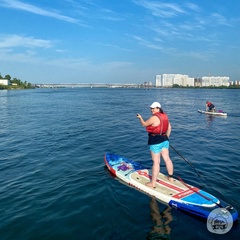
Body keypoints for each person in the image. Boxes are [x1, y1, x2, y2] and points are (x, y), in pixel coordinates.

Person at [136, 102, 174, 188]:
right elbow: (169, 127)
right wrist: (167, 137)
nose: (152, 110)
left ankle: (153, 183)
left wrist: (140, 118)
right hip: (165, 139)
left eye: (154, 108)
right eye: (151, 108)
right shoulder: (165, 116)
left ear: (158, 108)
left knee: (156, 162)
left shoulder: (154, 117)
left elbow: (144, 124)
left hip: (155, 141)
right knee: (167, 158)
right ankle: (170, 177)